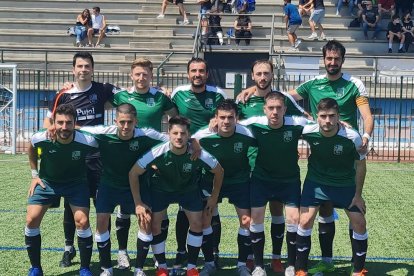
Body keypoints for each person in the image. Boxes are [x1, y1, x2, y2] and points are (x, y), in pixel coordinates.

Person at [237, 40, 374, 275]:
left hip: (346, 151)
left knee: (354, 211)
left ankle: (356, 264)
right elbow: (282, 97)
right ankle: (326, 260)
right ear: (324, 60)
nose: (332, 62)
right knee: (322, 210)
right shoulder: (313, 84)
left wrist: (366, 137)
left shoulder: (354, 84)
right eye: (328, 58)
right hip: (320, 156)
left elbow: (366, 115)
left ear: (342, 60)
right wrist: (254, 90)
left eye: (336, 59)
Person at [43, 52, 129, 270]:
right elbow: (49, 119)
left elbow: (130, 99)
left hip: (99, 158)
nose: (83, 69)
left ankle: (110, 252)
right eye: (80, 66)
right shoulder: (63, 93)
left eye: (87, 66)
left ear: (92, 68)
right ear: (73, 69)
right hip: (73, 158)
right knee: (72, 205)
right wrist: (50, 129)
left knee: (103, 206)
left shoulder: (103, 90)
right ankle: (68, 248)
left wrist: (160, 91)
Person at [129, 116, 224, 276]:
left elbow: (219, 171)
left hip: (188, 190)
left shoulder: (197, 152)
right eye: (175, 133)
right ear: (169, 133)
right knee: (154, 225)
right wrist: (138, 202)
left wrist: (214, 197)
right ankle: (162, 267)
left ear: (189, 135)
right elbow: (133, 173)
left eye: (182, 133)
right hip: (161, 190)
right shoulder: (158, 151)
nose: (179, 137)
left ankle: (191, 268)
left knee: (197, 223)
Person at [81, 103, 168, 276]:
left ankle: (139, 269)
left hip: (137, 186)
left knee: (146, 221)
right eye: (122, 122)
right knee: (102, 222)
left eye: (129, 122)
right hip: (109, 185)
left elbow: (172, 139)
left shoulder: (146, 135)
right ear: (115, 121)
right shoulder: (104, 134)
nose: (126, 126)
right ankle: (107, 268)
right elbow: (78, 130)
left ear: (136, 121)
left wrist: (193, 142)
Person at [295, 98, 368, 276]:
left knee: (359, 223)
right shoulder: (307, 131)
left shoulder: (352, 136)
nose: (327, 120)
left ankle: (358, 270)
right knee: (304, 221)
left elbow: (361, 165)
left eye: (332, 116)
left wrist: (358, 195)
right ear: (316, 117)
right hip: (316, 183)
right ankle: (301, 269)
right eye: (323, 116)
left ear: (338, 117)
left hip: (344, 184)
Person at [239, 92, 309, 276]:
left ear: (285, 109)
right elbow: (230, 125)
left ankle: (291, 264)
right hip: (262, 180)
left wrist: (341, 125)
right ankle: (259, 266)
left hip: (289, 180)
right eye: (271, 108)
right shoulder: (254, 122)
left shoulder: (297, 123)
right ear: (265, 109)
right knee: (256, 218)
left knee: (294, 219)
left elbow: (323, 126)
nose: (275, 112)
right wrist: (214, 125)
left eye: (279, 108)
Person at [26, 104, 98, 276]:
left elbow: (106, 144)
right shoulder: (42, 137)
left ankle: (85, 268)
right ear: (53, 123)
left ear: (75, 124)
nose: (64, 127)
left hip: (76, 183)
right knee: (31, 219)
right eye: (60, 122)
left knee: (82, 221)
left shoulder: (87, 140)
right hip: (47, 183)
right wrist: (35, 175)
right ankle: (36, 268)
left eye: (68, 123)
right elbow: (31, 147)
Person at [171, 57, 226, 269]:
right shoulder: (178, 93)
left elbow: (227, 115)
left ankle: (214, 250)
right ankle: (181, 251)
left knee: (211, 208)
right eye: (193, 71)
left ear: (207, 74)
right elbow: (169, 114)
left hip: (207, 157)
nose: (197, 74)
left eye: (201, 71)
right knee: (184, 207)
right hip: (184, 156)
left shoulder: (217, 94)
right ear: (188, 73)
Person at [193, 99, 256, 276]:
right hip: (210, 181)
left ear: (237, 118)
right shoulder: (203, 135)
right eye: (222, 117)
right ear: (215, 118)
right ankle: (209, 263)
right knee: (206, 220)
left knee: (246, 221)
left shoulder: (247, 134)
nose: (226, 121)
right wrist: (194, 141)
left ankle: (242, 264)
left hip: (239, 180)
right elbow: (187, 142)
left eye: (230, 117)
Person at [110, 58, 178, 131]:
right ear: (131, 76)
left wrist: (170, 134)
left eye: (145, 74)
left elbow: (175, 116)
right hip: (127, 142)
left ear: (151, 76)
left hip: (153, 142)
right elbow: (101, 106)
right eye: (137, 74)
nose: (141, 78)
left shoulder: (161, 97)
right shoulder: (121, 95)